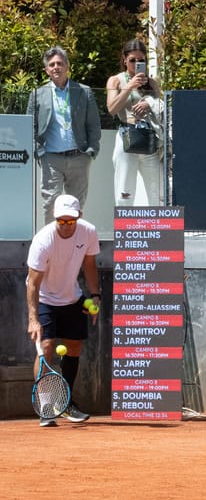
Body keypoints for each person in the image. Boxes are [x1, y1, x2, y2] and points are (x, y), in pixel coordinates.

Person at [26, 194, 101, 427]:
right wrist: (33, 319)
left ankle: (65, 403)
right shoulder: (43, 240)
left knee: (74, 347)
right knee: (46, 348)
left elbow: (89, 265)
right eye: (61, 221)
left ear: (79, 217)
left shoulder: (88, 232)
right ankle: (46, 406)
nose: (66, 226)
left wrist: (95, 296)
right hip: (45, 299)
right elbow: (33, 282)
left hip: (72, 299)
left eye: (71, 221)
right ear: (55, 218)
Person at [27, 46, 102, 223]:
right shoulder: (38, 94)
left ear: (67, 66)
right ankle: (50, 247)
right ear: (46, 70)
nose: (56, 67)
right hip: (51, 158)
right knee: (50, 204)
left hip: (79, 157)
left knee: (76, 206)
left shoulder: (84, 91)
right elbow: (30, 125)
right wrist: (39, 151)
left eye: (60, 63)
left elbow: (93, 124)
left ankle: (74, 248)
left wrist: (91, 150)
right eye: (51, 64)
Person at [105, 39, 164, 206]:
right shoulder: (116, 80)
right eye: (132, 60)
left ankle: (159, 229)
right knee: (125, 191)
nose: (137, 64)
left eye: (141, 61)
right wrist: (129, 86)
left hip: (149, 138)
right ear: (124, 60)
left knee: (158, 191)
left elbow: (162, 109)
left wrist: (149, 103)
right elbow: (112, 108)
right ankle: (125, 230)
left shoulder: (152, 83)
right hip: (127, 137)